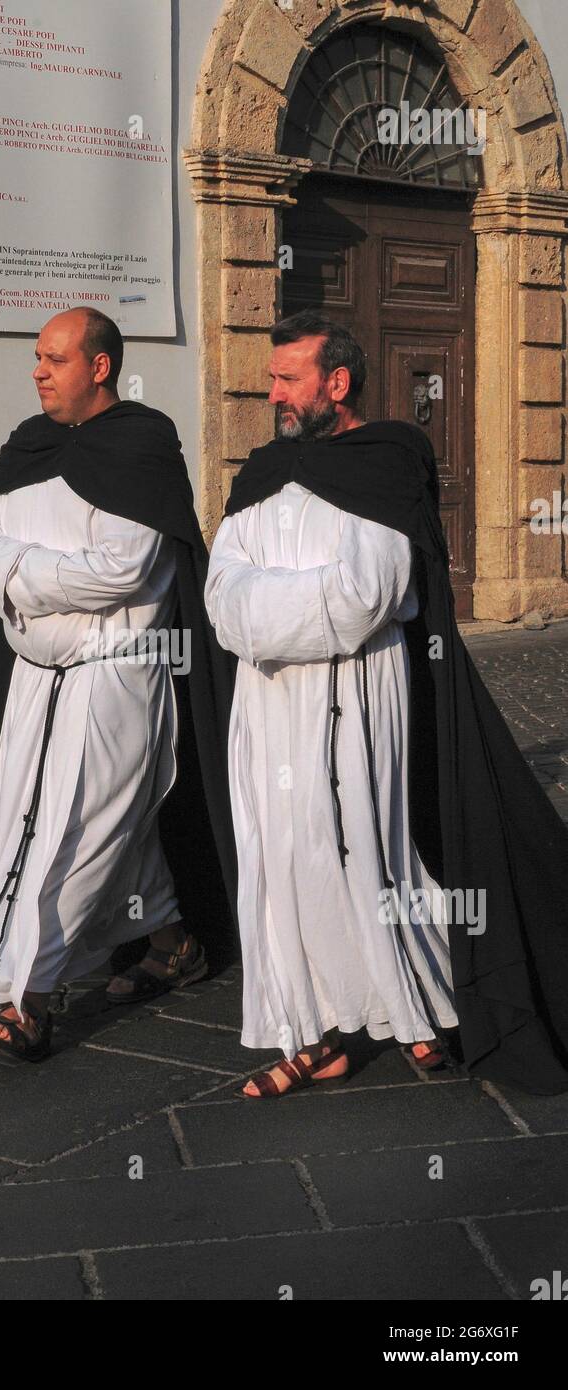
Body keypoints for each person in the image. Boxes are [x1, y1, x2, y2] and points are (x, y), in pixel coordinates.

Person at [206, 309, 568, 1098]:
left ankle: (415, 1003)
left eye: (286, 378)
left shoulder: (388, 458)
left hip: (358, 699)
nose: (271, 393)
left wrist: (266, 610)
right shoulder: (260, 473)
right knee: (282, 863)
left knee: (360, 854)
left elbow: (363, 597)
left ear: (336, 383)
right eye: (271, 378)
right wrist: (279, 609)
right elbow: (220, 595)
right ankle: (319, 1028)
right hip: (266, 711)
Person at [0, 307, 236, 1061]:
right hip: (35, 679)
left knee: (76, 835)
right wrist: (31, 570)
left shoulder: (141, 443)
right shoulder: (29, 443)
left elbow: (123, 569)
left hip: (112, 679)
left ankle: (24, 999)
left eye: (53, 358)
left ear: (100, 366)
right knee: (78, 827)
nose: (37, 371)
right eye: (37, 357)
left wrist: (15, 571)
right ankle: (176, 946)